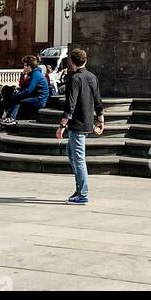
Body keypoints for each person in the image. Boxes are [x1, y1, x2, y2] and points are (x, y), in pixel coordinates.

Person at [55, 47, 103, 205]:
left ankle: (82, 194)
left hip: (77, 124)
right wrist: (100, 119)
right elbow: (98, 100)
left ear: (71, 62)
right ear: (85, 60)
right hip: (87, 122)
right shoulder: (92, 77)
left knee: (79, 159)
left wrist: (62, 125)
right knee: (71, 153)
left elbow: (70, 104)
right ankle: (79, 189)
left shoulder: (74, 79)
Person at [2, 56, 50, 124]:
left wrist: (17, 95)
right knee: (17, 98)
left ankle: (11, 118)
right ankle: (9, 117)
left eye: (24, 65)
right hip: (38, 98)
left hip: (40, 100)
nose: (23, 67)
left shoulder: (35, 74)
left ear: (29, 66)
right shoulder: (35, 73)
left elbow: (28, 90)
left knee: (17, 99)